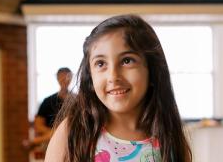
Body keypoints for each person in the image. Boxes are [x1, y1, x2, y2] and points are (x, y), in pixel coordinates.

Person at [45, 14, 193, 162]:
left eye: (127, 61)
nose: (113, 76)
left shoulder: (170, 138)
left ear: (152, 69)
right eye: (101, 64)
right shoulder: (72, 133)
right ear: (90, 76)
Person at [27, 67, 72, 149]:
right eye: (62, 76)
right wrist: (55, 133)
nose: (65, 79)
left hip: (71, 137)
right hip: (51, 140)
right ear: (57, 78)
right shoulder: (47, 101)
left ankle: (34, 141)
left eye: (67, 76)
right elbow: (38, 125)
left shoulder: (78, 101)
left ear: (71, 78)